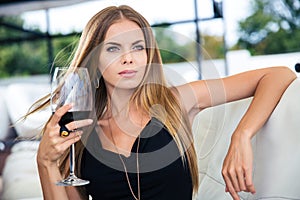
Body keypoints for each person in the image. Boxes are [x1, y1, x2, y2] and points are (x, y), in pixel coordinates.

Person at [29, 5, 296, 200]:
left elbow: (278, 75)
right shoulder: (80, 131)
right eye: (113, 48)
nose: (128, 58)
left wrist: (241, 136)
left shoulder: (175, 101)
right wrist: (46, 162)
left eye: (137, 47)